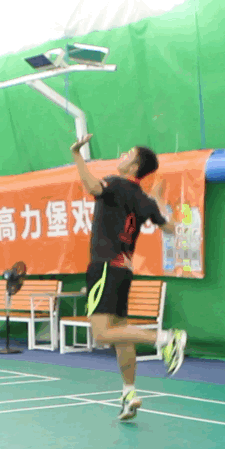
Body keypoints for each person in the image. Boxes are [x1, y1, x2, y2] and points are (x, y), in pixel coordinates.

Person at [71, 134, 188, 421]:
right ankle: (129, 392)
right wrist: (159, 199)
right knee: (121, 334)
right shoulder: (143, 199)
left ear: (134, 166)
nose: (122, 154)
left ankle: (166, 339)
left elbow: (91, 186)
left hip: (104, 267)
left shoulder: (115, 183)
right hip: (123, 270)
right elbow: (170, 228)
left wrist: (76, 154)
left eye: (128, 153)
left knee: (101, 334)